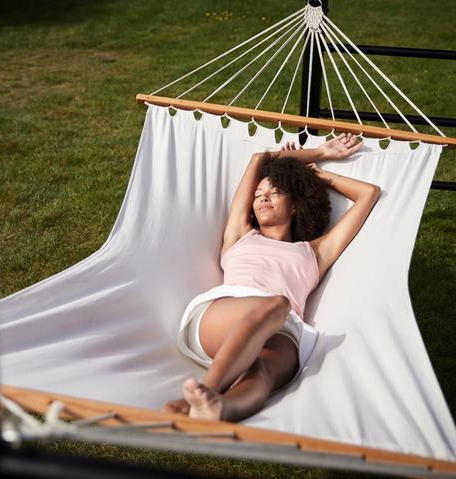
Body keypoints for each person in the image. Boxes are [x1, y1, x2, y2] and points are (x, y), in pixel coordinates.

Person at [162, 132, 380, 422]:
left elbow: (369, 194)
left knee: (262, 373)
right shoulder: (240, 234)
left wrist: (313, 175)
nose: (262, 197)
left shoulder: (315, 253)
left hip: (285, 329)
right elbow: (259, 159)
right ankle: (206, 393)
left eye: (275, 191)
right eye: (258, 194)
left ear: (295, 204)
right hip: (227, 312)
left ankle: (220, 408)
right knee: (274, 305)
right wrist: (318, 153)